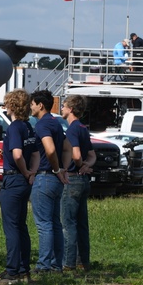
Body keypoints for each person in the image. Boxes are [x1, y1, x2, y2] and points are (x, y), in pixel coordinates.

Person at [0, 89, 39, 284]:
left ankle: (13, 270)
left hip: (13, 179)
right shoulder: (29, 126)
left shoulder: (14, 127)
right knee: (21, 225)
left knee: (12, 226)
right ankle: (23, 268)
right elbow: (36, 154)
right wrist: (32, 172)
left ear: (12, 106)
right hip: (24, 181)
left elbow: (17, 154)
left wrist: (24, 171)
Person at [30, 90, 70, 273]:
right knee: (55, 223)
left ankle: (44, 265)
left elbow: (51, 150)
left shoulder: (42, 125)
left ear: (40, 105)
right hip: (55, 180)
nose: (30, 107)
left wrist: (55, 168)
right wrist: (64, 169)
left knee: (44, 224)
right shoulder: (55, 123)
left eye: (32, 103)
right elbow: (68, 148)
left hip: (46, 176)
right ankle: (56, 264)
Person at [60, 94, 94, 271]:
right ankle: (83, 262)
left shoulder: (72, 129)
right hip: (83, 180)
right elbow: (92, 155)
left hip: (72, 178)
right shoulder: (83, 128)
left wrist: (80, 165)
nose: (62, 108)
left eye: (64, 106)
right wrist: (87, 167)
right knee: (81, 222)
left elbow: (77, 154)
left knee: (68, 223)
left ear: (71, 109)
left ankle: (69, 263)